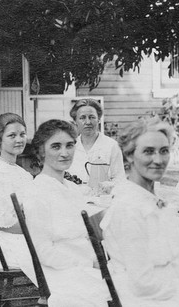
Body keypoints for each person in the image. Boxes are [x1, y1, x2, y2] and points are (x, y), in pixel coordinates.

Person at [100, 117, 179, 306]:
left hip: (163, 290)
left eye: (164, 151)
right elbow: (141, 283)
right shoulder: (128, 207)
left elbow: (172, 257)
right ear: (130, 155)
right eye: (148, 151)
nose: (158, 160)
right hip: (141, 299)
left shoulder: (151, 198)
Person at [22, 119, 109, 306]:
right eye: (56, 146)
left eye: (69, 145)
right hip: (63, 273)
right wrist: (89, 263)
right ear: (41, 151)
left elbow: (90, 230)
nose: (64, 153)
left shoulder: (70, 187)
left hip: (84, 264)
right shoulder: (37, 192)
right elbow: (44, 252)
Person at [0, 113, 34, 279]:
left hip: (25, 236)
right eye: (12, 135)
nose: (19, 140)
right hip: (13, 245)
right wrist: (38, 228)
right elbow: (5, 224)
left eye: (22, 134)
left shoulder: (22, 173)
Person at [67, 98, 126, 186]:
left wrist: (107, 187)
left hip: (103, 198)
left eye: (92, 117)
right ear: (75, 121)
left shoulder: (111, 145)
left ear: (98, 119)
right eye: (82, 118)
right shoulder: (70, 147)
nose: (88, 122)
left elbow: (120, 178)